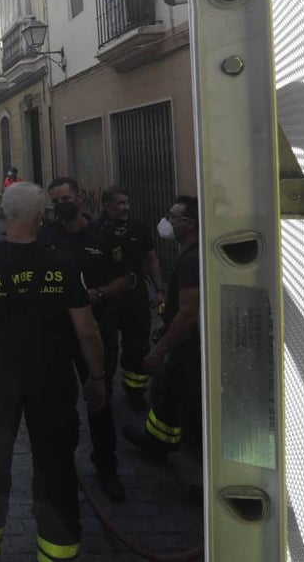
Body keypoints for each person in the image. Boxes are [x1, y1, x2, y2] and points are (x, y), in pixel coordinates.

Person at [0, 183, 106, 562]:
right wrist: (97, 377)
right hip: (51, 379)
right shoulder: (62, 263)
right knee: (55, 465)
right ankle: (57, 550)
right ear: (42, 217)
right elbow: (87, 329)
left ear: (3, 214)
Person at [39, 177, 131, 503]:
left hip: (97, 330)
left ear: (80, 198)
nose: (62, 203)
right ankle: (61, 464)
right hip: (55, 333)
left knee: (100, 398)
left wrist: (100, 293)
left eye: (67, 197)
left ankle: (106, 467)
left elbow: (125, 279)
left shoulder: (104, 236)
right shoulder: (46, 235)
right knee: (57, 401)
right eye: (56, 200)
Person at [124, 196, 202, 466]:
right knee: (164, 392)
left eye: (172, 217)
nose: (166, 221)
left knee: (189, 407)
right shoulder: (188, 255)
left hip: (189, 349)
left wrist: (161, 349)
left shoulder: (192, 261)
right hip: (182, 343)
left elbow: (189, 312)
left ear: (189, 224)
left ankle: (199, 477)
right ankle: (157, 441)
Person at [97, 186, 165, 411]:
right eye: (119, 203)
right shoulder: (95, 229)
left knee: (137, 344)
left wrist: (159, 289)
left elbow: (151, 258)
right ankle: (102, 387)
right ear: (106, 205)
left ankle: (135, 391)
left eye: (127, 202)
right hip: (106, 297)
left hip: (135, 296)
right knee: (106, 346)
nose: (125, 207)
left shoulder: (139, 229)